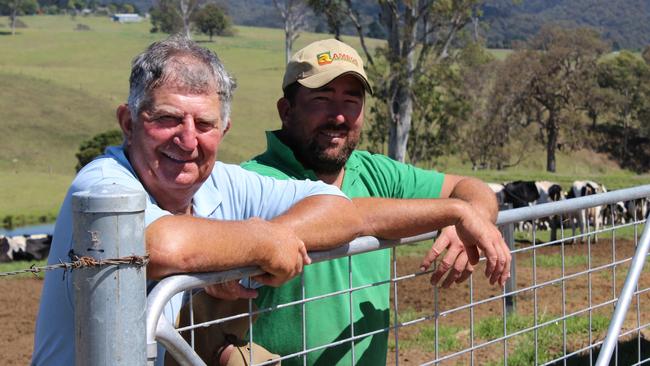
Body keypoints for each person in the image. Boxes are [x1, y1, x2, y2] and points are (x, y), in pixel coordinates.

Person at [31, 35, 367, 366]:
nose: (188, 139)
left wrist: (264, 241)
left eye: (205, 123)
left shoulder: (221, 181)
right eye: (168, 119)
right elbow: (158, 245)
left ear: (224, 130)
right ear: (129, 123)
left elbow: (340, 210)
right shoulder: (102, 183)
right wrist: (260, 244)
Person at [236, 39, 512, 365]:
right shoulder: (250, 183)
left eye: (351, 101)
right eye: (321, 99)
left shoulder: (374, 172)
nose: (338, 116)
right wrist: (454, 212)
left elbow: (469, 185)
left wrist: (472, 218)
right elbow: (350, 215)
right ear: (286, 110)